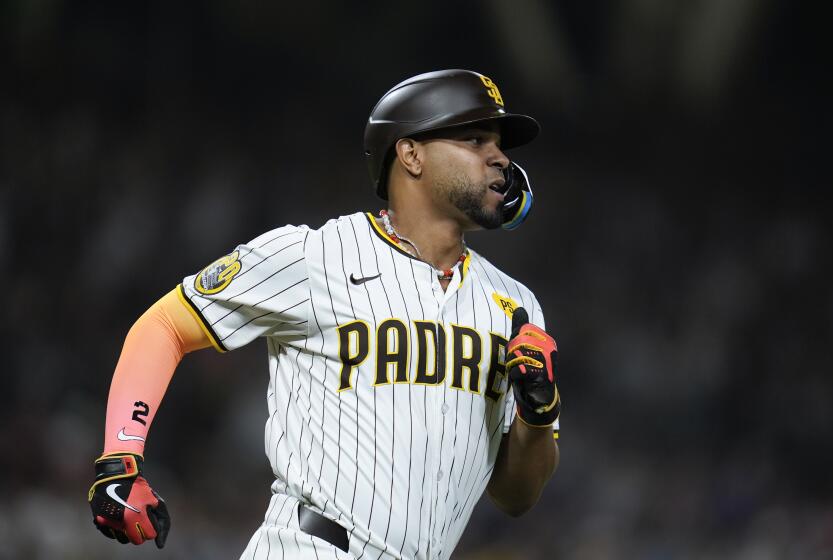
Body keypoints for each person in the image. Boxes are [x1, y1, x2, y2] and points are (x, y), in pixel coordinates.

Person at [88, 69, 562, 559]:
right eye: (474, 137)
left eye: (500, 144)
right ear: (411, 154)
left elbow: (516, 496)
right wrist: (120, 459)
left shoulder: (515, 307)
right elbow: (165, 326)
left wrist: (537, 412)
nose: (500, 157)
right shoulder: (318, 255)